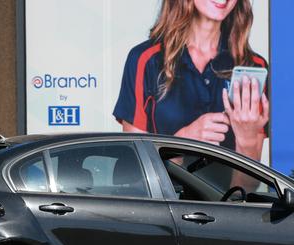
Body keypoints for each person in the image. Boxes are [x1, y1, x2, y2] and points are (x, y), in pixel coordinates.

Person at [113, 0, 269, 162]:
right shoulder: (145, 60)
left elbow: (249, 183)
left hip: (225, 189)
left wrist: (247, 142)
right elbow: (137, 168)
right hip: (165, 188)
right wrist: (183, 141)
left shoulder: (253, 66)